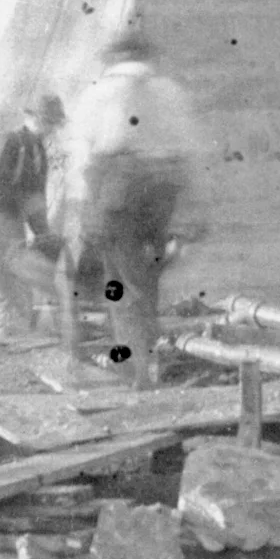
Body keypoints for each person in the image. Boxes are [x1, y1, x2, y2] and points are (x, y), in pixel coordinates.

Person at [57, 29, 207, 381]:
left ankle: (134, 367)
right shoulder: (170, 92)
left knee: (121, 281)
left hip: (117, 194)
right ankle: (143, 359)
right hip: (161, 194)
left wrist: (81, 211)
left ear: (116, 57)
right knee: (147, 279)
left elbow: (82, 155)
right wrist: (190, 214)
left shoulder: (100, 92)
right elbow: (189, 153)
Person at [0, 91, 65, 341]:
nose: (49, 127)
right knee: (5, 289)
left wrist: (43, 233)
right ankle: (5, 345)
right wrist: (23, 199)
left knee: (21, 289)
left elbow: (36, 199)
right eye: (45, 120)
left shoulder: (39, 151)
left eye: (52, 122)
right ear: (30, 116)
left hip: (14, 224)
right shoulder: (11, 142)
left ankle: (17, 341)